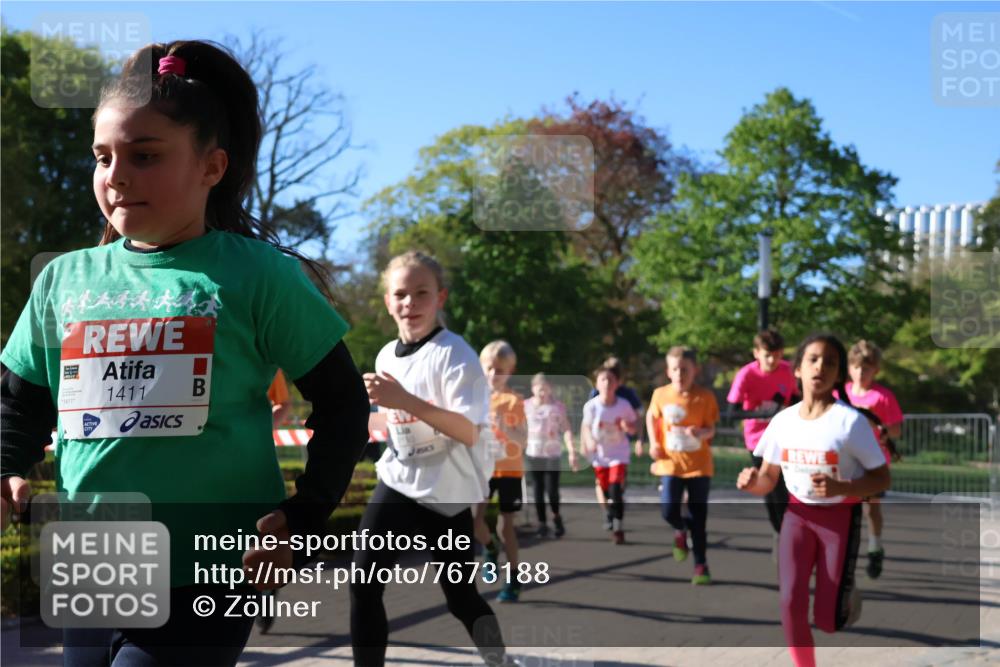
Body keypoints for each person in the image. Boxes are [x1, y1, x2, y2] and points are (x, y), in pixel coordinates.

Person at [0, 40, 370, 666]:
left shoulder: (259, 277)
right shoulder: (63, 280)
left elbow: (343, 404)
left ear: (212, 167)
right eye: (102, 157)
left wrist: (302, 517)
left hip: (213, 565)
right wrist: (7, 463)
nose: (116, 176)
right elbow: (21, 399)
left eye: (145, 156)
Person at [353, 251, 516, 667]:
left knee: (461, 598)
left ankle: (500, 661)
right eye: (401, 295)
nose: (410, 303)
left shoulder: (454, 353)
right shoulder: (386, 355)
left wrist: (404, 400)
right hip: (398, 479)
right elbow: (396, 421)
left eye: (421, 293)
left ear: (439, 297)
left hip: (445, 490)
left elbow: (467, 430)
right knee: (364, 582)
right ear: (388, 302)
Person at [736, 333, 890, 667]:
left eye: (830, 362)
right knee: (790, 602)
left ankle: (844, 599)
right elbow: (767, 480)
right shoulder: (782, 422)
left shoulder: (850, 422)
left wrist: (841, 488)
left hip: (839, 519)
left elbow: (882, 478)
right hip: (797, 516)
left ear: (838, 375)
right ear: (798, 369)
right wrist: (752, 483)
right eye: (813, 359)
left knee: (828, 622)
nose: (820, 366)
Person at [647, 346, 719, 585]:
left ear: (694, 370)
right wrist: (653, 443)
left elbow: (712, 430)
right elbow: (651, 417)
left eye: (685, 369)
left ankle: (701, 565)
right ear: (669, 371)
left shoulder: (705, 397)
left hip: (699, 465)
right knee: (668, 510)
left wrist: (700, 432)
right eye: (676, 369)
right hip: (671, 464)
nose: (680, 374)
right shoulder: (660, 395)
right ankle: (680, 530)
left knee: (700, 517)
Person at [727, 329, 798, 558]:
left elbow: (797, 399)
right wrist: (762, 412)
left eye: (777, 355)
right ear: (756, 353)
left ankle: (792, 536)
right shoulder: (746, 375)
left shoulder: (788, 370)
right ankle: (780, 531)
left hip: (787, 437)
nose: (772, 360)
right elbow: (733, 412)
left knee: (790, 488)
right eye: (767, 355)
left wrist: (788, 410)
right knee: (770, 488)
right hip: (758, 440)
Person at [844, 340, 903, 579]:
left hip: (873, 461)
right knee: (846, 509)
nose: (860, 373)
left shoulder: (882, 397)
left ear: (875, 371)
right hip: (846, 460)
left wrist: (878, 426)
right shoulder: (842, 393)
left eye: (866, 369)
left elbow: (897, 429)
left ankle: (875, 547)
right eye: (856, 367)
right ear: (849, 368)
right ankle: (846, 553)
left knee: (871, 508)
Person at [474, 340, 527, 602]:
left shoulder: (513, 401)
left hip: (509, 469)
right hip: (484, 468)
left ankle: (514, 578)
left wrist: (504, 426)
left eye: (501, 370)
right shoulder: (475, 399)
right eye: (490, 369)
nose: (494, 375)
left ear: (511, 371)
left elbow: (522, 439)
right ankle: (490, 549)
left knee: (507, 526)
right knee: (475, 519)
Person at [581, 365, 638, 544]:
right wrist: (588, 441)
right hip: (600, 454)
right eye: (603, 380)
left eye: (610, 380)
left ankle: (618, 528)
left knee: (615, 489)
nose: (606, 383)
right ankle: (611, 513)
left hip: (618, 453)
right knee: (605, 491)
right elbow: (586, 427)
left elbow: (633, 426)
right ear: (597, 384)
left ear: (617, 384)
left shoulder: (624, 405)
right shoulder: (591, 406)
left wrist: (626, 427)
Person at [523, 373, 577, 538]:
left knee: (552, 491)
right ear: (533, 389)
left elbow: (566, 429)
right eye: (540, 389)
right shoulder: (525, 406)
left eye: (546, 389)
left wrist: (572, 451)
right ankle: (542, 524)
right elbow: (519, 428)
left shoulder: (557, 407)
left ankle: (556, 516)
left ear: (550, 389)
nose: (543, 393)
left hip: (552, 454)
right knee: (537, 490)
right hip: (533, 453)